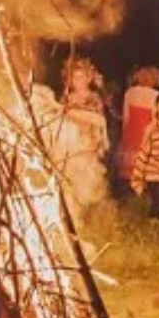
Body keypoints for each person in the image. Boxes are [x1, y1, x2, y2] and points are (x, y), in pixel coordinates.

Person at [52, 57, 110, 215]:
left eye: (81, 77)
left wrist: (72, 113)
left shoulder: (94, 97)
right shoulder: (66, 98)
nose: (77, 80)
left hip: (87, 143)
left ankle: (92, 210)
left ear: (89, 78)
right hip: (70, 144)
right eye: (74, 77)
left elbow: (98, 120)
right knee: (70, 178)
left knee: (89, 178)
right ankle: (72, 210)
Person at [118, 66, 159, 183]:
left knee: (130, 159)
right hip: (147, 130)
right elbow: (155, 118)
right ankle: (143, 183)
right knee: (145, 158)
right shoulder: (156, 95)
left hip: (131, 128)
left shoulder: (130, 92)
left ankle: (131, 183)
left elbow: (125, 115)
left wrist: (124, 134)